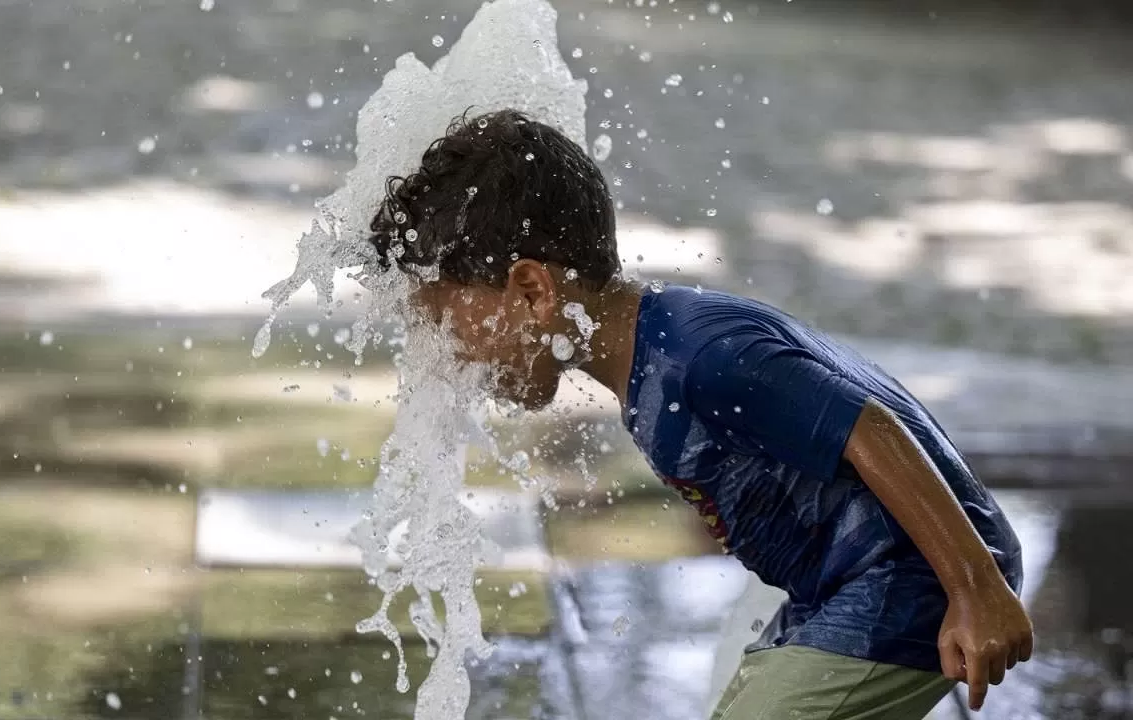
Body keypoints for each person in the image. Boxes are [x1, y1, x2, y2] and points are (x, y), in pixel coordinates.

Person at [367, 108, 1032, 719]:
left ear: (534, 290)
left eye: (448, 322)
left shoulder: (699, 355)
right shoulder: (654, 359)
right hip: (843, 587)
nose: (448, 354)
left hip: (909, 585)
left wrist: (976, 589)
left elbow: (875, 430)